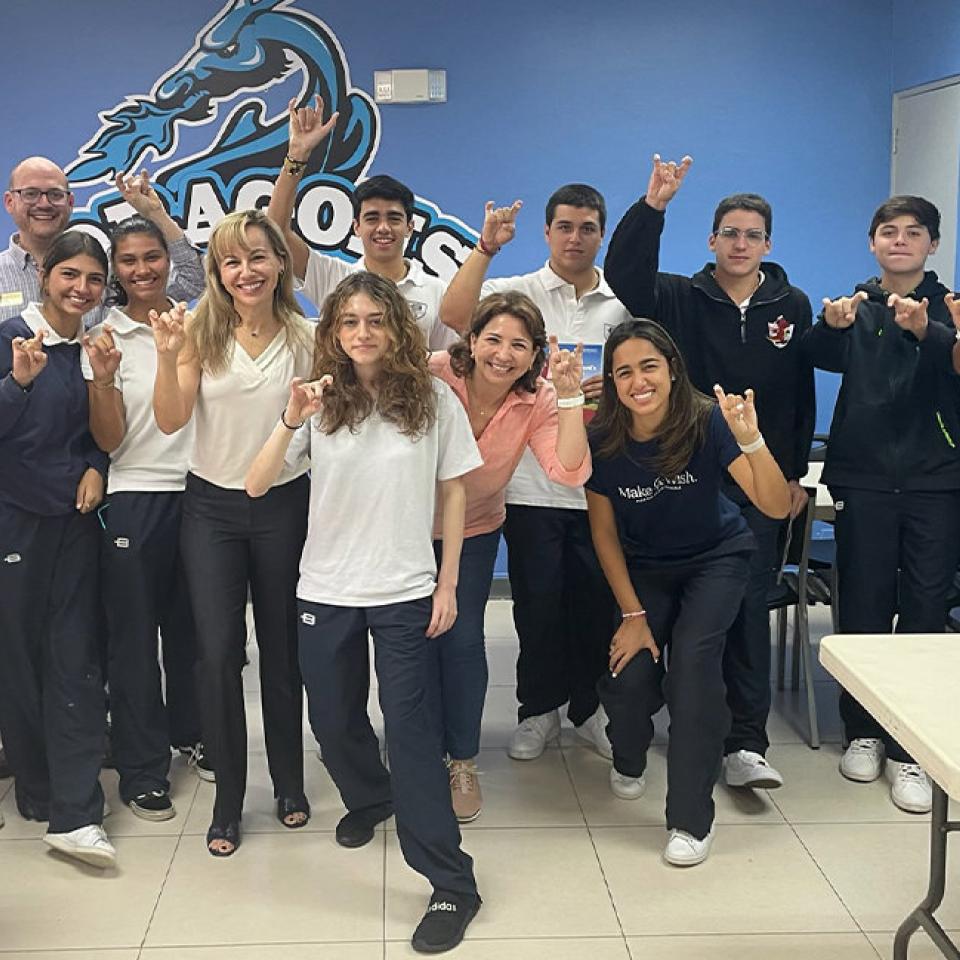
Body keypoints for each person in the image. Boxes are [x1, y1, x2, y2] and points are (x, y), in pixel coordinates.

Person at [245, 271, 482, 954]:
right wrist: (292, 415)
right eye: (348, 322)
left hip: (406, 587)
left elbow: (456, 492)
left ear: (398, 326)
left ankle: (451, 882)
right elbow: (256, 484)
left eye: (375, 320)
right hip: (325, 588)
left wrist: (449, 584)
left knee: (412, 730)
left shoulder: (434, 398)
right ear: (333, 332)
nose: (362, 333)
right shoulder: (320, 400)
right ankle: (372, 797)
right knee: (332, 719)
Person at [604, 155, 815, 793]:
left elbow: (799, 395)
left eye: (753, 234)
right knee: (677, 620)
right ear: (712, 240)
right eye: (730, 233)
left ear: (767, 244)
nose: (741, 243)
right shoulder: (676, 294)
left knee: (745, 610)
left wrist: (793, 475)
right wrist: (653, 206)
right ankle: (671, 722)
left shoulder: (791, 304)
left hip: (757, 477)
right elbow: (624, 274)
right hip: (683, 477)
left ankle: (744, 743)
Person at [586, 319, 790, 866]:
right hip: (645, 569)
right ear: (611, 381)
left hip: (716, 560)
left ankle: (690, 820)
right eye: (623, 371)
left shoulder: (706, 422)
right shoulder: (603, 439)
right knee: (630, 678)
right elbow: (603, 532)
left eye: (648, 366)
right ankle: (629, 757)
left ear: (672, 370)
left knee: (695, 674)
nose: (638, 381)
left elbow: (773, 506)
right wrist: (632, 613)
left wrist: (753, 440)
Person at [439, 188, 630, 763]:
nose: (576, 237)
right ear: (547, 232)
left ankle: (590, 709)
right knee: (538, 604)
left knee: (595, 604)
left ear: (601, 234)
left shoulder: (620, 307)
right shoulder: (512, 291)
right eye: (565, 226)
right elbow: (454, 317)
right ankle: (537, 710)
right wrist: (485, 250)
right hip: (525, 485)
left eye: (588, 227)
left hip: (596, 483)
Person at [151, 209, 313, 856]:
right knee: (217, 653)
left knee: (282, 649)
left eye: (256, 257)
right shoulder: (198, 331)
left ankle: (290, 781)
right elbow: (170, 421)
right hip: (211, 509)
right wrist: (166, 359)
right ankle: (227, 800)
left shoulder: (307, 334)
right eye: (230, 261)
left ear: (279, 263)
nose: (244, 271)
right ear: (218, 272)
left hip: (284, 506)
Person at [803, 195, 960, 815]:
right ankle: (862, 731)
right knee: (862, 603)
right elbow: (812, 356)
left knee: (925, 610)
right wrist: (829, 328)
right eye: (888, 232)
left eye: (913, 232)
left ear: (932, 244)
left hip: (936, 479)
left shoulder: (951, 307)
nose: (900, 240)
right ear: (872, 243)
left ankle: (912, 750)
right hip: (864, 477)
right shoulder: (855, 305)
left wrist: (928, 332)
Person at [429, 291, 591, 821]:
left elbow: (568, 471)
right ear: (471, 341)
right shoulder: (433, 374)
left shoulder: (538, 398)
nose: (503, 354)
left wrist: (568, 397)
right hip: (401, 530)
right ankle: (414, 751)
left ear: (535, 354)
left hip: (474, 530)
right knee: (406, 644)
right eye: (493, 339)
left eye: (518, 345)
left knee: (460, 640)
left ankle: (462, 759)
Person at [81, 207, 207, 822]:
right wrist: (103, 381)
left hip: (204, 494)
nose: (141, 270)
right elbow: (106, 442)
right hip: (132, 496)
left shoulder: (199, 321)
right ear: (114, 271)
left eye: (150, 257)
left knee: (197, 633)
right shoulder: (101, 336)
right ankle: (142, 767)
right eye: (127, 261)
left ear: (167, 261)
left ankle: (195, 735)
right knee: (134, 641)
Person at [0, 230, 115, 867]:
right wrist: (16, 383)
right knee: (17, 657)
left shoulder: (92, 349)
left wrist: (98, 463)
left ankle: (75, 812)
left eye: (93, 280)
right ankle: (37, 788)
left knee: (74, 656)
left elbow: (93, 433)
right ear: (45, 274)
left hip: (74, 523)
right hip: (14, 522)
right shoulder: (13, 336)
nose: (81, 288)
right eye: (70, 274)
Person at [266, 96, 457, 350]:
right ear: (356, 227)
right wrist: (297, 155)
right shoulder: (334, 278)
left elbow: (443, 367)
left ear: (410, 227)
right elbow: (275, 233)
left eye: (394, 218)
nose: (383, 228)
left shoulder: (436, 291)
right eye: (372, 218)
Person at [1, 160, 205, 325]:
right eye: (30, 194)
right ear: (10, 202)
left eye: (55, 195)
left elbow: (193, 280)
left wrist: (155, 213)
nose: (44, 203)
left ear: (70, 203)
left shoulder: (102, 269)